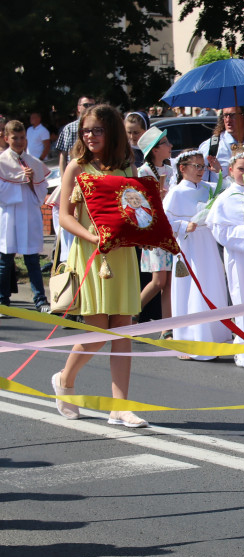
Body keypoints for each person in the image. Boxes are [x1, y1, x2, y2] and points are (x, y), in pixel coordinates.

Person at [52, 104, 148, 427]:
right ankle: (65, 380)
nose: (90, 136)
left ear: (112, 132)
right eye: (86, 130)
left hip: (121, 254)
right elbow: (64, 216)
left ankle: (120, 406)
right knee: (97, 329)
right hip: (91, 253)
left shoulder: (126, 167)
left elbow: (134, 210)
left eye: (97, 130)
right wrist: (90, 237)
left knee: (123, 329)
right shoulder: (76, 168)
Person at [164, 150, 231, 360]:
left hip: (208, 245)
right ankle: (189, 340)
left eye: (203, 167)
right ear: (183, 168)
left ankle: (214, 336)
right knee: (189, 289)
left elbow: (230, 191)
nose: (201, 171)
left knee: (212, 285)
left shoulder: (208, 189)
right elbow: (164, 221)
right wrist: (183, 225)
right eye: (196, 166)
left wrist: (220, 172)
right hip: (188, 246)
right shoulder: (176, 193)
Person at [209, 150, 244, 373]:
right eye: (241, 169)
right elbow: (218, 228)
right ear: (231, 170)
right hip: (241, 256)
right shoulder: (225, 199)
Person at [0, 120, 50, 314]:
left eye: (22, 138)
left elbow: (41, 190)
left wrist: (30, 181)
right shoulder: (2, 162)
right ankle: (3, 300)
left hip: (28, 213)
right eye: (15, 138)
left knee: (32, 259)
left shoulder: (33, 162)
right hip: (9, 215)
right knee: (5, 259)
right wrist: (19, 179)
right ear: (6, 138)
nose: (19, 141)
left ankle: (40, 299)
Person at [136, 127, 175, 332]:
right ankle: (132, 314)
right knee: (158, 280)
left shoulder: (170, 170)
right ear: (154, 150)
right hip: (154, 230)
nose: (170, 146)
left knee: (168, 281)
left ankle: (166, 328)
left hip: (169, 229)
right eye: (165, 143)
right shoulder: (143, 172)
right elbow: (139, 205)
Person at [199, 107, 244, 181]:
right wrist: (219, 173)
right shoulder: (211, 146)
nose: (228, 119)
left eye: (233, 115)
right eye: (225, 115)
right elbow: (200, 180)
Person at [55, 95, 96, 175]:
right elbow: (63, 155)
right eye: (86, 105)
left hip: (95, 172)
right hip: (74, 172)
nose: (89, 108)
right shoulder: (69, 128)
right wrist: (63, 178)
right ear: (79, 108)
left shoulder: (101, 127)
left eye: (92, 105)